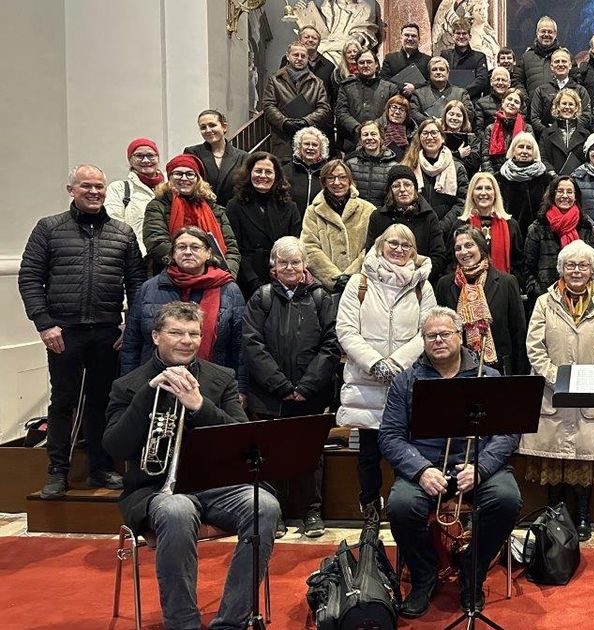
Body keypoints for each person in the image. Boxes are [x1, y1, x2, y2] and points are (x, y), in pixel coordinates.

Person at [103, 301, 278, 630]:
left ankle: (232, 622)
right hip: (155, 490)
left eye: (194, 334)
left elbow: (241, 439)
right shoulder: (127, 385)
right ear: (155, 336)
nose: (186, 340)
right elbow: (114, 446)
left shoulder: (220, 379)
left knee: (265, 505)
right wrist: (146, 396)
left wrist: (199, 405)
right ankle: (182, 624)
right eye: (176, 333)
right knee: (178, 510)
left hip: (217, 487)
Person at [379, 306, 521, 617]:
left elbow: (508, 432)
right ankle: (424, 575)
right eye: (431, 336)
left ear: (461, 337)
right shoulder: (406, 381)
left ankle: (474, 572)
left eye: (445, 334)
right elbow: (390, 436)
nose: (438, 340)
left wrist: (481, 468)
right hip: (427, 468)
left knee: (507, 499)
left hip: (478, 465)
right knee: (401, 506)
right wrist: (421, 470)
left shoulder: (489, 375)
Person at [19, 163, 146, 498]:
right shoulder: (48, 228)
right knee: (63, 401)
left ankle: (100, 468)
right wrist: (44, 324)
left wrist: (129, 325)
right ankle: (57, 472)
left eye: (99, 186)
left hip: (107, 332)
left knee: (102, 403)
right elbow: (30, 278)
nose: (94, 192)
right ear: (71, 190)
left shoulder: (123, 232)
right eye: (86, 186)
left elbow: (136, 285)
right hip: (64, 332)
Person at [520, 240, 594, 541]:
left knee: (584, 458)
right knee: (553, 456)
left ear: (593, 270)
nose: (577, 270)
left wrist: (586, 380)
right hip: (553, 393)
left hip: (590, 394)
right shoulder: (544, 302)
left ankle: (583, 515)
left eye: (583, 265)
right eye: (571, 265)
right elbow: (534, 347)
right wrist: (557, 378)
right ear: (562, 269)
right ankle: (554, 514)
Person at [337, 225, 435, 525]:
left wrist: (397, 364)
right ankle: (369, 508)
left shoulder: (423, 286)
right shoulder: (359, 282)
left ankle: (406, 510)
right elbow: (346, 329)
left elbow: (427, 332)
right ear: (380, 246)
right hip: (367, 382)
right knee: (368, 454)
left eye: (406, 245)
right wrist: (376, 362)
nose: (399, 249)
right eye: (393, 243)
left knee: (409, 451)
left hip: (406, 384)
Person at [242, 236, 340, 537]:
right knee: (269, 455)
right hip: (269, 395)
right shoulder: (261, 298)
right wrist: (281, 385)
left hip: (310, 394)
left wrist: (306, 386)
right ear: (273, 267)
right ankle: (275, 513)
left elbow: (331, 345)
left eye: (294, 261)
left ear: (304, 265)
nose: (289, 267)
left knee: (310, 454)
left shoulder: (321, 298)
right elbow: (252, 343)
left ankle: (312, 511)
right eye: (282, 262)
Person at [122, 227, 245, 382]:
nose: (187, 252)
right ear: (173, 253)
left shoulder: (228, 289)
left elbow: (240, 346)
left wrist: (239, 388)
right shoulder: (150, 288)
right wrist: (128, 383)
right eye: (181, 247)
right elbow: (132, 342)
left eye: (195, 247)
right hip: (154, 381)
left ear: (208, 253)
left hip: (213, 383)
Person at [436, 226, 527, 374]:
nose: (463, 252)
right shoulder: (445, 285)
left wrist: (520, 374)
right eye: (458, 248)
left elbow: (518, 332)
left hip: (500, 369)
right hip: (457, 369)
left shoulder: (506, 282)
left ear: (481, 248)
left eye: (469, 245)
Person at [143, 154, 241, 277]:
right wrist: (192, 266)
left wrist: (228, 274)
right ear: (169, 178)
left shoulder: (214, 208)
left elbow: (231, 248)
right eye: (178, 173)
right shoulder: (158, 206)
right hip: (171, 277)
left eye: (190, 174)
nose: (184, 178)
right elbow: (156, 243)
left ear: (198, 179)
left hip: (215, 276)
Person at [224, 151, 303, 297]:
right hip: (247, 279)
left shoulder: (290, 207)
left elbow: (295, 244)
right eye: (258, 171)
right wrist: (253, 281)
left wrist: (281, 274)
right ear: (249, 173)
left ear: (276, 176)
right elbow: (234, 247)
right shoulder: (234, 206)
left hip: (282, 276)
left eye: (268, 172)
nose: (263, 176)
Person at [299, 159, 376, 293]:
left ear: (350, 181)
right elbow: (309, 248)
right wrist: (334, 278)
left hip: (362, 285)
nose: (337, 182)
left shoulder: (368, 209)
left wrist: (352, 276)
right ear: (324, 182)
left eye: (342, 177)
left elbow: (374, 247)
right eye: (331, 178)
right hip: (324, 289)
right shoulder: (312, 211)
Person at [365, 165, 449, 281]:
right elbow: (372, 253)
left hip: (419, 281)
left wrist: (415, 276)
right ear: (390, 191)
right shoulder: (378, 217)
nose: (402, 189)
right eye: (396, 186)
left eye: (407, 184)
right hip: (383, 281)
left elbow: (438, 257)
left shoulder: (428, 216)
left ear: (415, 188)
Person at [524, 175, 594, 299]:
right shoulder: (538, 227)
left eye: (569, 192)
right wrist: (535, 290)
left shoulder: (585, 227)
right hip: (545, 297)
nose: (565, 196)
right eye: (560, 191)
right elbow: (528, 267)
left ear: (576, 196)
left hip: (580, 296)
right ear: (552, 195)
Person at [263, 41, 333, 160]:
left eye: (303, 56)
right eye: (296, 55)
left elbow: (324, 108)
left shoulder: (317, 82)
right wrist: (284, 122)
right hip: (283, 139)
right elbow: (268, 105)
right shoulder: (275, 80)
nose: (299, 58)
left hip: (309, 140)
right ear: (288, 56)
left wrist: (306, 121)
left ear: (308, 58)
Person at [402, 118, 470, 234]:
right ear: (419, 138)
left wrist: (440, 228)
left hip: (447, 232)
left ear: (442, 138)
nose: (429, 137)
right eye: (425, 133)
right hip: (415, 229)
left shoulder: (457, 167)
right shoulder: (409, 166)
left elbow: (462, 202)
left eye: (434, 133)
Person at [447, 172, 522, 276]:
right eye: (478, 188)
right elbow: (451, 261)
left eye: (488, 188)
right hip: (467, 287)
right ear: (471, 194)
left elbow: (518, 262)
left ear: (495, 194)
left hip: (502, 287)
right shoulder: (460, 225)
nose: (483, 193)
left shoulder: (511, 225)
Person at [105, 138, 163, 258]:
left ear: (157, 158)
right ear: (130, 160)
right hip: (135, 258)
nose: (146, 160)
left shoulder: (171, 188)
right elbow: (113, 226)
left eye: (150, 155)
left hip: (169, 260)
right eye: (139, 156)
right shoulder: (119, 188)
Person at [334, 49, 400, 153]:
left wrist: (374, 129)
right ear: (357, 65)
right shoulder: (346, 86)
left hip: (383, 140)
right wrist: (358, 129)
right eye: (361, 62)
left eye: (369, 62)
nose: (365, 65)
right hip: (352, 141)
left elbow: (393, 113)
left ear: (377, 64)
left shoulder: (390, 88)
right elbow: (341, 112)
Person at [184, 110, 249, 207]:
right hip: (202, 210)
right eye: (203, 127)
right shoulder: (192, 153)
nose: (208, 130)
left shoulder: (243, 156)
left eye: (212, 125)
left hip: (232, 213)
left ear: (224, 127)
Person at [496, 132, 553, 234]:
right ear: (513, 151)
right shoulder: (499, 178)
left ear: (534, 152)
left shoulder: (546, 179)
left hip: (537, 234)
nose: (525, 151)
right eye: (521, 147)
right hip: (507, 232)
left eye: (529, 148)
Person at [529, 48, 594, 136]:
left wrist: (569, 131)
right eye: (557, 61)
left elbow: (586, 117)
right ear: (551, 66)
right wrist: (549, 132)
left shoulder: (581, 90)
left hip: (575, 139)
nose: (560, 64)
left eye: (564, 61)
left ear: (570, 65)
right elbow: (534, 118)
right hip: (547, 140)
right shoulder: (541, 90)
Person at [345, 120, 400, 208]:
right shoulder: (350, 164)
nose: (369, 138)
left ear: (381, 137)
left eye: (373, 134)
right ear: (360, 139)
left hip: (382, 215)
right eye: (365, 135)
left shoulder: (394, 166)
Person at [537, 88, 589, 176]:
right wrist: (553, 175)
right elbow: (543, 158)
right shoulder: (546, 133)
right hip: (553, 182)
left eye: (571, 104)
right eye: (564, 103)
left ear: (576, 108)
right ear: (557, 106)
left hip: (578, 182)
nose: (567, 107)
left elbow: (588, 160)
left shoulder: (586, 134)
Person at [410, 56, 474, 124]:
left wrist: (448, 122)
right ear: (429, 73)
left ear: (448, 72)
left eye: (442, 69)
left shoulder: (461, 93)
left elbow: (469, 114)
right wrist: (433, 122)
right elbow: (413, 114)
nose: (438, 72)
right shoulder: (418, 94)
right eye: (434, 69)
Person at [438, 19, 490, 99]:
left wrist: (461, 93)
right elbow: (440, 76)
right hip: (448, 99)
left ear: (470, 37)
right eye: (458, 33)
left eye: (464, 33)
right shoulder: (445, 55)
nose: (461, 37)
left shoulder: (479, 57)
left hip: (471, 100)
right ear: (453, 36)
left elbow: (482, 80)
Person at [479, 88, 528, 173]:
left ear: (520, 108)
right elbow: (485, 157)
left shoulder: (527, 129)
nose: (512, 103)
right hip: (495, 175)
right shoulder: (490, 128)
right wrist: (493, 177)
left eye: (516, 102)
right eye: (509, 99)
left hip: (518, 175)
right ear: (503, 102)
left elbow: (528, 156)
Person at [513, 16, 562, 96]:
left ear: (555, 34)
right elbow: (517, 81)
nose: (546, 34)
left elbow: (573, 82)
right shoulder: (526, 57)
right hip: (533, 107)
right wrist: (526, 100)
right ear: (537, 33)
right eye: (543, 31)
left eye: (550, 32)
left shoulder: (565, 57)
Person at [380, 23, 432, 95]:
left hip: (420, 101)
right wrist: (403, 87)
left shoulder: (428, 60)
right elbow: (383, 80)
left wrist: (415, 87)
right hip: (395, 100)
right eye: (407, 35)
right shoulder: (390, 58)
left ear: (419, 39)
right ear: (401, 38)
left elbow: (432, 82)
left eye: (414, 36)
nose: (410, 38)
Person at [285, 127, 332, 206]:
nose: (310, 148)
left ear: (321, 149)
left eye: (315, 145)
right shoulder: (286, 171)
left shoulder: (329, 172)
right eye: (306, 144)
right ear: (299, 146)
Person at [473, 67, 524, 137]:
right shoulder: (481, 103)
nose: (500, 83)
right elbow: (479, 130)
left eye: (503, 80)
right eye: (497, 79)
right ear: (491, 82)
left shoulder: (518, 103)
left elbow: (523, 125)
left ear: (509, 83)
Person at [440, 99, 481, 174]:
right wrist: (458, 154)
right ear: (445, 116)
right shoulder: (438, 136)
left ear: (464, 119)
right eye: (451, 114)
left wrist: (451, 157)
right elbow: (437, 159)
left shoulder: (472, 139)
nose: (454, 118)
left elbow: (474, 164)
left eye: (458, 115)